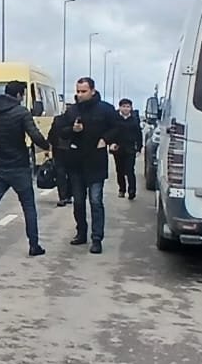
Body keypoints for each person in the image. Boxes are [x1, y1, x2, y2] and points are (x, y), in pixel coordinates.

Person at [0, 80, 52, 257]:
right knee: (28, 206)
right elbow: (34, 135)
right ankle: (34, 245)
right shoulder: (21, 112)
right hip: (20, 167)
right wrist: (48, 146)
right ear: (19, 95)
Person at [55, 77, 124, 253]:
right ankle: (81, 233)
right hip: (76, 162)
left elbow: (118, 127)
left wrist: (105, 139)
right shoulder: (72, 111)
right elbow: (60, 131)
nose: (79, 94)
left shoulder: (105, 109)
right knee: (78, 201)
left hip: (96, 162)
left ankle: (97, 238)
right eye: (77, 91)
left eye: (83, 91)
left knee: (95, 201)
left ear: (92, 91)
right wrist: (72, 130)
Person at [112, 98, 143, 199]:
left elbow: (139, 134)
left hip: (130, 149)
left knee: (130, 170)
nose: (126, 109)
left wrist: (139, 147)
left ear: (131, 108)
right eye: (124, 106)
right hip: (118, 148)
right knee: (120, 170)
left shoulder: (134, 119)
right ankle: (122, 189)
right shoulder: (115, 118)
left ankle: (132, 190)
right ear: (120, 107)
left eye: (128, 107)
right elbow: (110, 132)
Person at [46, 105, 72, 207]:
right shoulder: (77, 120)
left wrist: (50, 145)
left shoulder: (58, 119)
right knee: (71, 174)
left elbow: (51, 135)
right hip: (71, 151)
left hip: (59, 150)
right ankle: (68, 195)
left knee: (60, 174)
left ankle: (63, 197)